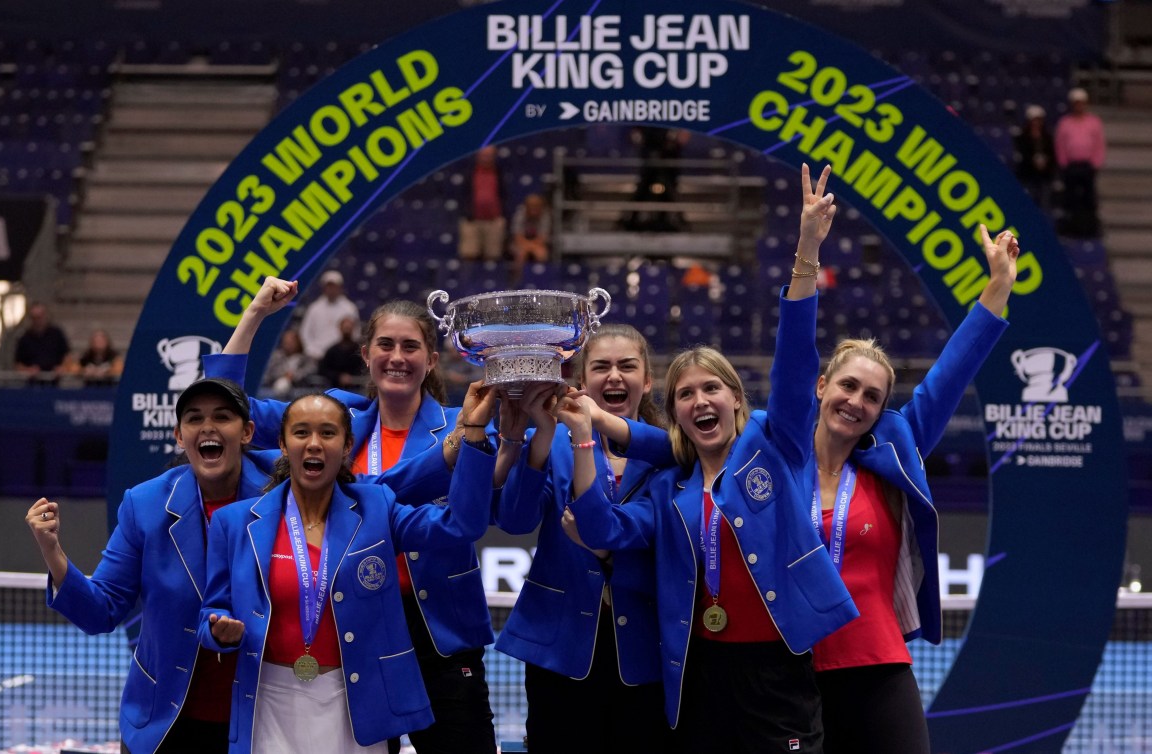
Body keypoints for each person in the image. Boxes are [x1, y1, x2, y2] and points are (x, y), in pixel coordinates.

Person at [566, 165, 857, 753]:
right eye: (685, 394)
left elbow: (796, 362)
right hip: (698, 673)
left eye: (711, 389)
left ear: (736, 399)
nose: (700, 401)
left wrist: (806, 250)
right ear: (674, 413)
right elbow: (603, 528)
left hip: (777, 671)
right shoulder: (667, 490)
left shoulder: (776, 448)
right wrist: (581, 439)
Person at [204, 281, 499, 754]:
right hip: (357, 622)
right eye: (385, 344)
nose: (397, 356)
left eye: (410, 346)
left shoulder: (466, 420)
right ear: (365, 354)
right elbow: (228, 404)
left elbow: (469, 514)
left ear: (432, 360)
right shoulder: (339, 423)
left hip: (439, 628)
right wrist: (256, 312)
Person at [810, 225, 1019, 754]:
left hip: (878, 670)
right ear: (821, 387)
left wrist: (998, 285)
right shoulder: (773, 458)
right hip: (792, 672)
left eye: (873, 396)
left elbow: (950, 375)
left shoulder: (892, 450)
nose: (857, 401)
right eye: (848, 385)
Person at [25, 377, 274, 753]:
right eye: (194, 419)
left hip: (262, 720)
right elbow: (101, 611)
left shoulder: (281, 493)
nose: (208, 426)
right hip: (166, 722)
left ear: (247, 432)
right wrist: (52, 550)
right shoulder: (146, 504)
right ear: (178, 435)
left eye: (223, 417)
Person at [494, 324, 674, 753]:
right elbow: (515, 521)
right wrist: (539, 434)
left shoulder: (670, 454)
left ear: (647, 381)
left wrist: (603, 549)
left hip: (643, 647)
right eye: (602, 367)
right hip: (560, 643)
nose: (614, 376)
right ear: (582, 381)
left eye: (627, 366)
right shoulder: (554, 442)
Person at [1054, 87, 1106, 237]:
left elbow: (1099, 144)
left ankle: (1090, 229)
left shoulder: (1094, 122)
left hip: (1088, 166)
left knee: (1088, 199)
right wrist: (1064, 164)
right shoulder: (1065, 123)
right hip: (1071, 166)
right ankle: (1071, 228)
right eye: (1076, 103)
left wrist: (1095, 163)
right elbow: (1060, 144)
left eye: (1081, 103)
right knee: (1070, 199)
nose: (1079, 106)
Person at [458, 145, 508, 261]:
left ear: (494, 156)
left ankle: (492, 279)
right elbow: (463, 194)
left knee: (493, 256)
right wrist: (466, 213)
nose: (486, 158)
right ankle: (466, 279)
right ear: (478, 156)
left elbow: (504, 195)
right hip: (472, 220)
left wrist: (502, 214)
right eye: (484, 155)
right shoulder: (470, 173)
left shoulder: (500, 173)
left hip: (494, 220)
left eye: (489, 155)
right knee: (469, 254)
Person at [299, 270, 360, 360]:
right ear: (324, 288)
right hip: (316, 355)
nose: (331, 290)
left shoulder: (349, 308)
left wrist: (346, 352)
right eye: (328, 286)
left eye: (334, 286)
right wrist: (311, 350)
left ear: (340, 287)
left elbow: (355, 332)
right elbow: (305, 333)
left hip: (342, 357)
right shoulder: (314, 308)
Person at [1014, 104, 1057, 213]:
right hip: (1029, 175)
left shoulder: (1047, 137)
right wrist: (1033, 161)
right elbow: (1022, 154)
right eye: (1034, 120)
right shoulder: (1022, 137)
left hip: (1044, 176)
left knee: (1044, 204)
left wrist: (1045, 162)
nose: (1036, 123)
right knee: (1029, 204)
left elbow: (1052, 154)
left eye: (1039, 120)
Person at [14, 301, 71, 383]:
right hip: (32, 384)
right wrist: (28, 370)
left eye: (39, 317)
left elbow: (67, 356)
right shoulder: (24, 338)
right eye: (34, 318)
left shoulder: (57, 334)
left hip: (55, 383)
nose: (37, 321)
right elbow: (18, 364)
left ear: (45, 315)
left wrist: (62, 368)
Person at [319, 315, 366, 390]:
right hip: (334, 387)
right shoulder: (332, 350)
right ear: (340, 328)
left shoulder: (359, 350)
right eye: (345, 328)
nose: (347, 330)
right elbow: (323, 370)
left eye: (349, 328)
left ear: (353, 329)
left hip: (357, 387)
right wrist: (338, 377)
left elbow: (363, 367)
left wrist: (352, 378)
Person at [510, 192, 551, 275]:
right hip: (520, 244)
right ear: (526, 206)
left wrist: (530, 247)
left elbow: (542, 238)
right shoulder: (520, 214)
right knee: (521, 254)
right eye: (531, 206)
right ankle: (518, 280)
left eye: (536, 206)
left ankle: (539, 279)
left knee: (541, 254)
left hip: (537, 244)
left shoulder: (545, 216)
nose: (534, 208)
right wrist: (529, 247)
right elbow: (517, 237)